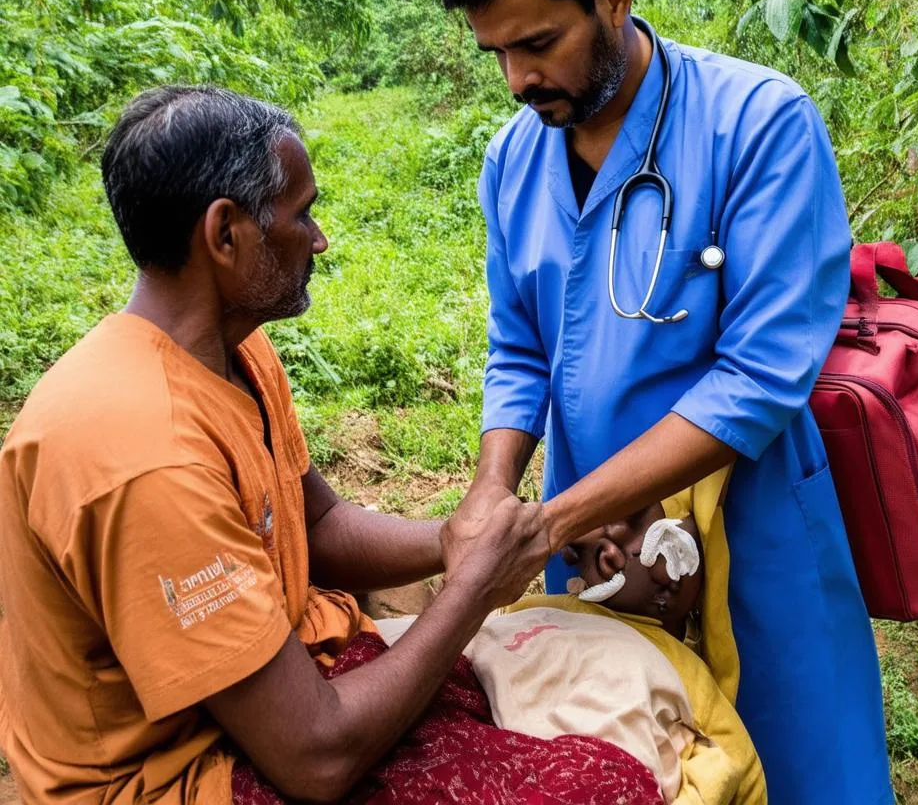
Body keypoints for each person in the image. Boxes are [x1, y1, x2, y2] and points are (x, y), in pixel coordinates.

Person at [0, 86, 662, 805]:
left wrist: (466, 538)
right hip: (178, 774)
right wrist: (474, 588)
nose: (318, 239)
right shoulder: (143, 456)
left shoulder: (232, 352)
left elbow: (312, 526)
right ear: (225, 236)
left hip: (268, 705)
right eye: (302, 213)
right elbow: (315, 761)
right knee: (605, 788)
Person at [439, 0, 894, 803]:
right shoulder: (513, 160)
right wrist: (496, 493)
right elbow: (518, 348)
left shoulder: (759, 126)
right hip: (595, 541)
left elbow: (761, 379)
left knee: (807, 763)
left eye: (539, 43)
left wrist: (551, 521)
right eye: (497, 53)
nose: (519, 79)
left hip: (753, 530)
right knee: (632, 760)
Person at [464, 497, 768, 804]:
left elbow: (735, 760)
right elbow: (477, 638)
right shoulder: (531, 611)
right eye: (582, 549)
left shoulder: (680, 665)